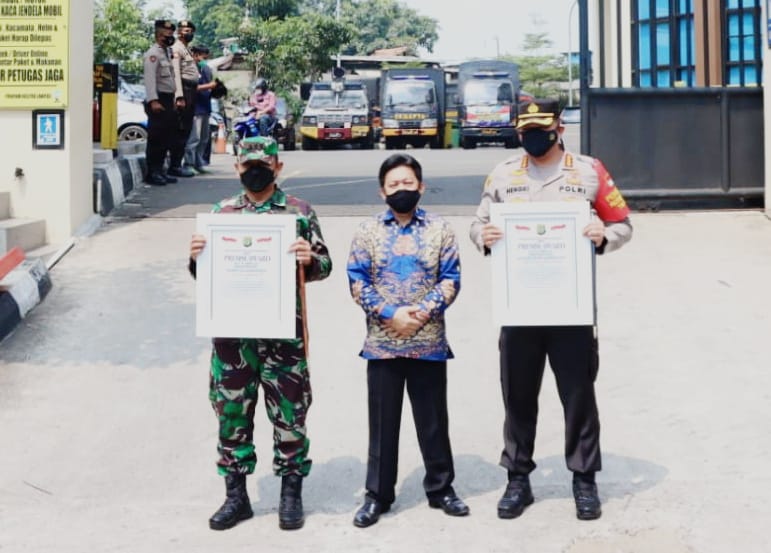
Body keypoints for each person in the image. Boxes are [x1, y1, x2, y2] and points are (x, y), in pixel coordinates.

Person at [469, 99, 633, 521]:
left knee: (578, 397)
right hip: (519, 308)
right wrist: (484, 236)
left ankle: (584, 479)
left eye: (540, 130)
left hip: (570, 309)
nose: (532, 137)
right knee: (517, 397)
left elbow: (622, 224)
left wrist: (603, 235)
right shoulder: (504, 174)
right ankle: (518, 479)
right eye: (525, 131)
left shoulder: (589, 171)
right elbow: (477, 223)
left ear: (559, 127)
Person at [188, 136, 332, 531]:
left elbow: (324, 265)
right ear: (237, 168)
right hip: (233, 340)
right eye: (247, 165)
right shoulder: (221, 214)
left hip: (283, 337)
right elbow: (205, 274)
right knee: (231, 412)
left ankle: (291, 493)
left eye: (263, 165)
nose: (255, 171)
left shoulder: (299, 212)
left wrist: (310, 259)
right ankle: (236, 497)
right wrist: (197, 256)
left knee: (290, 414)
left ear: (277, 167)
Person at [347, 153, 469, 528]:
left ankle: (441, 489)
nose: (401, 189)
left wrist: (421, 313)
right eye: (394, 184)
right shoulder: (367, 231)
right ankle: (378, 495)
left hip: (428, 340)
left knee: (433, 421)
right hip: (382, 344)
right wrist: (390, 314)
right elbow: (357, 280)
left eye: (408, 182)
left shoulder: (440, 229)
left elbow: (451, 278)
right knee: (383, 425)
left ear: (421, 186)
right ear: (382, 192)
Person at [142, 20, 179, 186]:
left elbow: (171, 79)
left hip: (168, 99)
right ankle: (153, 172)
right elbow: (149, 79)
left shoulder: (167, 53)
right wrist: (153, 100)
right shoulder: (153, 54)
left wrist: (174, 99)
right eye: (166, 35)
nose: (170, 37)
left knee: (166, 138)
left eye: (171, 34)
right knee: (156, 138)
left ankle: (161, 170)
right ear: (158, 35)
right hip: (158, 100)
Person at [168, 19, 200, 178]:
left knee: (186, 130)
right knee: (180, 130)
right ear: (179, 32)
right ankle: (175, 166)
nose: (188, 33)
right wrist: (179, 96)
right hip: (184, 91)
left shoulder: (186, 49)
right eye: (186, 31)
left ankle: (177, 165)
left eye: (191, 31)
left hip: (191, 91)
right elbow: (175, 73)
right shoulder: (177, 48)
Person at [184, 45, 216, 173]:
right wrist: (210, 86)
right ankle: (189, 163)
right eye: (203, 57)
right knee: (194, 138)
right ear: (195, 55)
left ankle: (199, 163)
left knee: (204, 138)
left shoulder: (206, 69)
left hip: (205, 107)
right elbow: (193, 87)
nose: (204, 60)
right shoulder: (190, 69)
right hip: (195, 108)